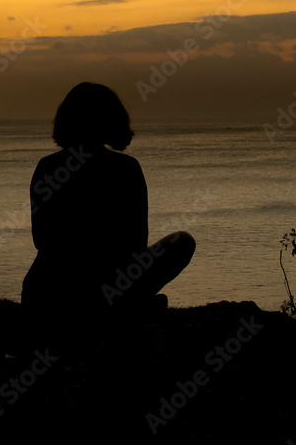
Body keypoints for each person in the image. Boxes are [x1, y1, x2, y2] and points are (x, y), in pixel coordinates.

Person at [21, 82, 196, 316]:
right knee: (182, 242)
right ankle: (131, 305)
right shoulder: (126, 168)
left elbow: (41, 239)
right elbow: (136, 245)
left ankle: (129, 305)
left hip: (43, 292)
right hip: (103, 293)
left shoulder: (48, 166)